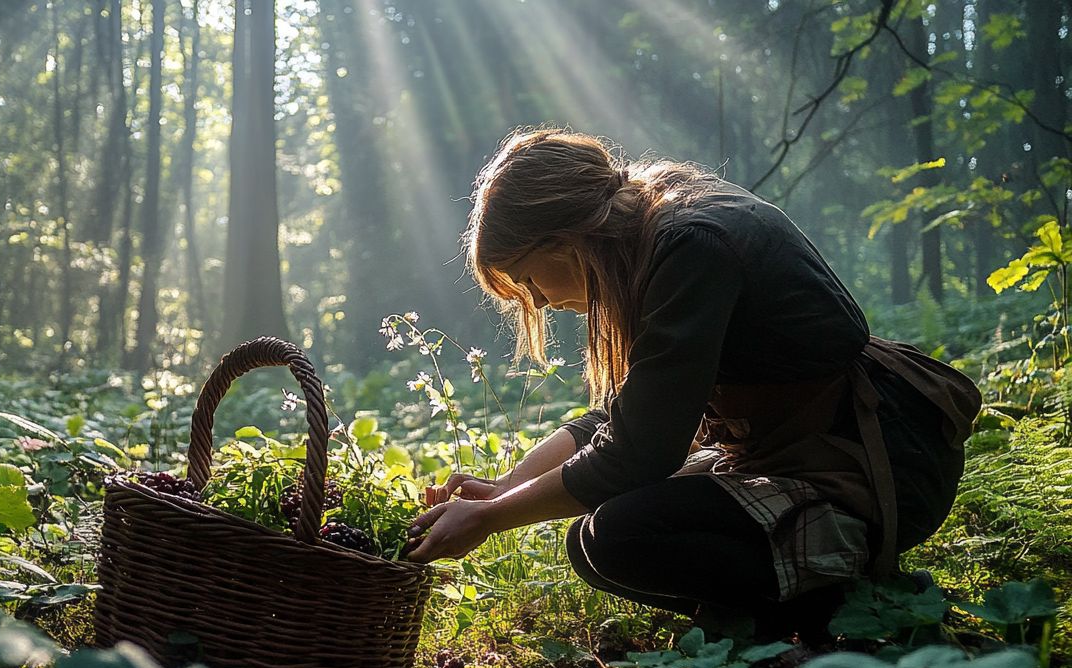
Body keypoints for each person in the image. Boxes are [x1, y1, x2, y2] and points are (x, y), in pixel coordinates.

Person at [404, 128, 981, 636]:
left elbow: (638, 453)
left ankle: (831, 602)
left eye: (529, 280)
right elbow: (626, 418)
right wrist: (503, 487)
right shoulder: (650, 225)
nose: (542, 302)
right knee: (593, 542)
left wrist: (487, 518)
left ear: (564, 239)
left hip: (876, 460)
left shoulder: (689, 245)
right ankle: (768, 614)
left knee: (619, 536)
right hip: (796, 448)